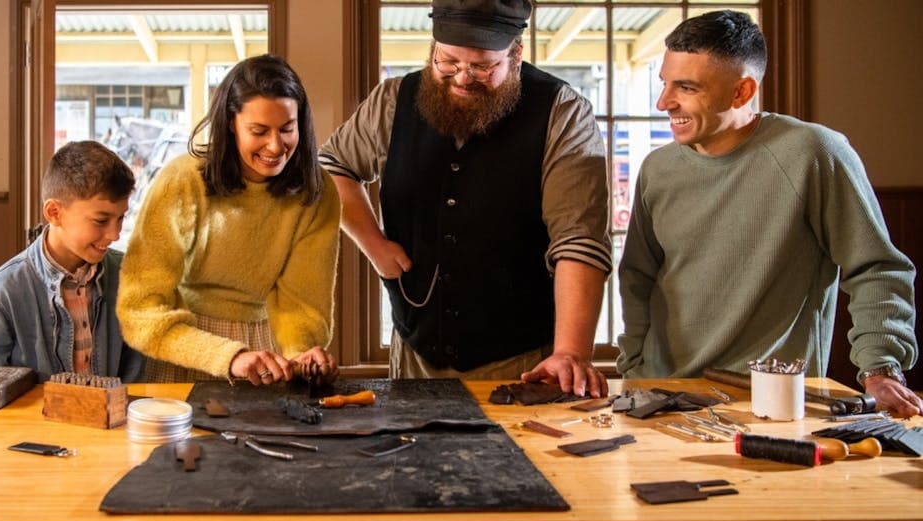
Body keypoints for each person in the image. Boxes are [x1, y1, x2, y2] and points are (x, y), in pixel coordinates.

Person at [617, 10, 920, 417]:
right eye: (665, 83)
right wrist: (633, 369)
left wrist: (881, 369)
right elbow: (638, 276)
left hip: (770, 402)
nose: (663, 102)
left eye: (686, 87)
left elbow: (877, 269)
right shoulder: (658, 168)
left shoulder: (813, 153)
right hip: (660, 398)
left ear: (741, 92)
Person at [319, 0, 611, 397]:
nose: (461, 78)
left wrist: (571, 352)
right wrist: (373, 245)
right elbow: (331, 165)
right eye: (447, 61)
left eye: (482, 67)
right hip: (415, 352)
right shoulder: (392, 101)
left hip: (519, 361)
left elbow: (578, 240)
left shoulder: (563, 114)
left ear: (516, 54)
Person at [117, 54, 340, 385]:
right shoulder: (181, 181)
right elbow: (139, 311)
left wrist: (301, 353)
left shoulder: (316, 191)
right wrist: (228, 356)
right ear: (230, 124)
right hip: (186, 350)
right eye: (259, 130)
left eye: (287, 129)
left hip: (267, 357)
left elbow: (302, 305)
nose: (276, 145)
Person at [0, 141, 144, 382]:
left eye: (120, 218)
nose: (114, 234)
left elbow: (136, 385)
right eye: (100, 221)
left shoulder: (129, 277)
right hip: (30, 421)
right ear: (54, 213)